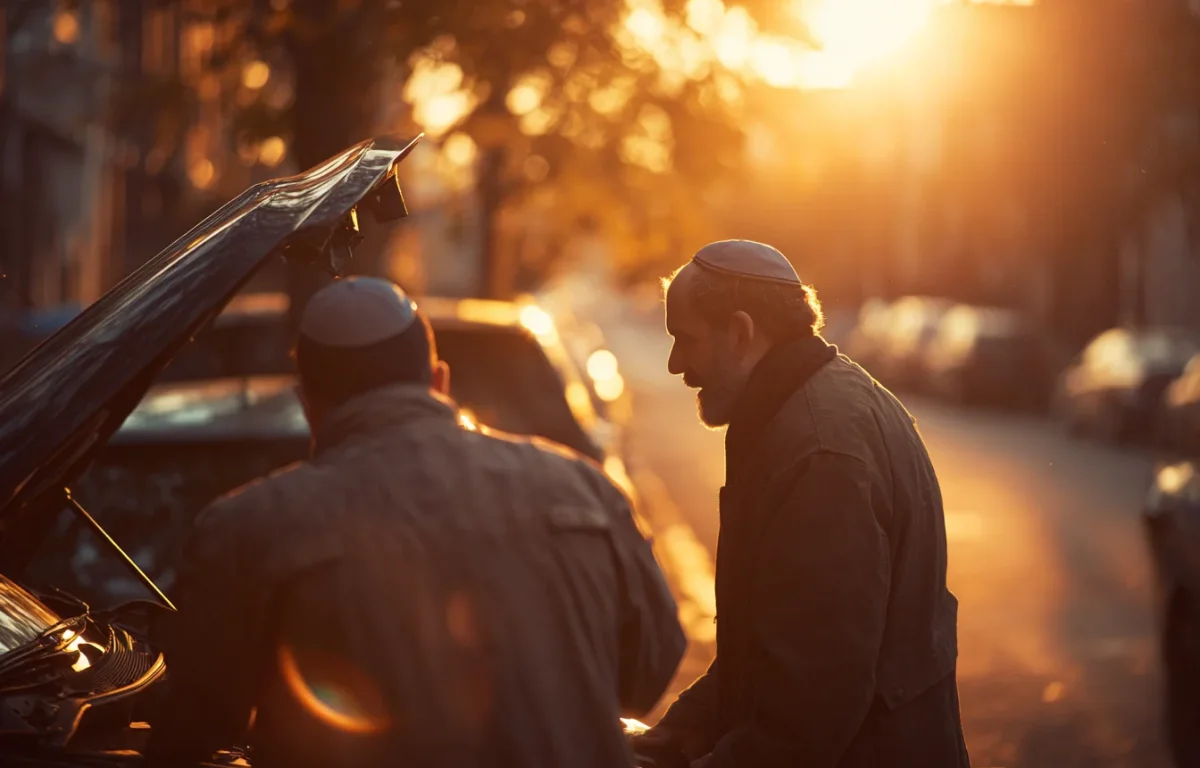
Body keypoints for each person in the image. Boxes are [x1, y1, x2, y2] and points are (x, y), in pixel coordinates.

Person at [146, 276, 686, 768]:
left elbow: (195, 723)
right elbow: (652, 662)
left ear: (308, 401)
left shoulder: (248, 527)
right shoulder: (583, 486)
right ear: (439, 379)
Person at [635, 240, 969, 767]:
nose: (676, 364)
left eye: (686, 339)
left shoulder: (820, 454)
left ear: (742, 333)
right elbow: (768, 655)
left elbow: (807, 715)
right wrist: (675, 734)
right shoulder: (814, 407)